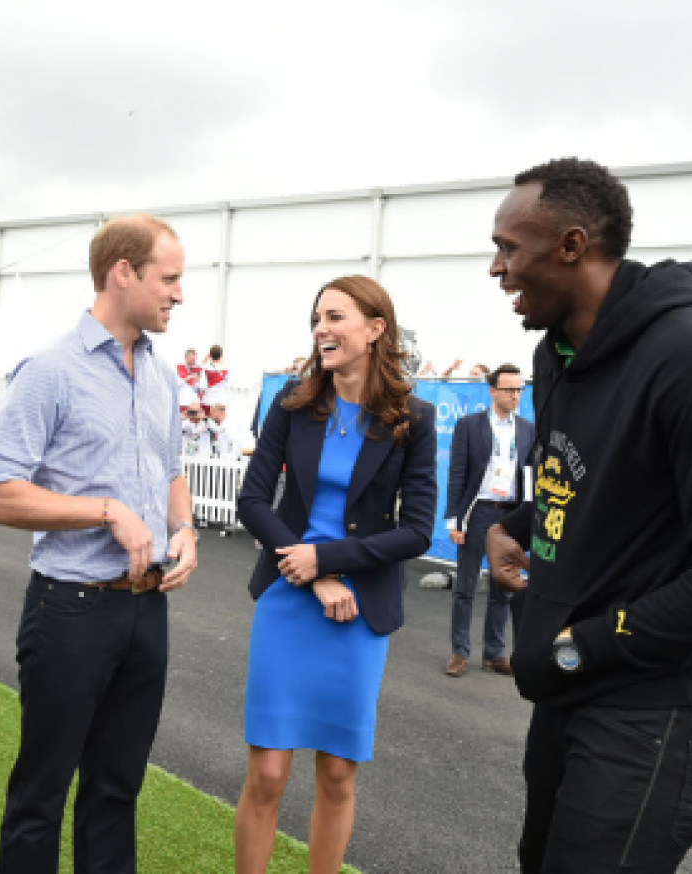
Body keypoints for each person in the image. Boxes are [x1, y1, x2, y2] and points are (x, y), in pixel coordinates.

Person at [484, 157, 692, 872]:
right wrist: (507, 529)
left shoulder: (685, 355)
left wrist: (579, 644)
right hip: (564, 691)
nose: (497, 268)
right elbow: (580, 487)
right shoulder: (557, 357)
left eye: (509, 247)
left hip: (650, 710)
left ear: (572, 245)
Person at [0, 214, 198, 874]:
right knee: (41, 797)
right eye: (171, 277)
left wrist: (181, 529)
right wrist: (104, 511)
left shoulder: (160, 374)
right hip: (69, 610)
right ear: (121, 273)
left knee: (116, 791)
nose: (179, 293)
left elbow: (173, 470)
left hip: (146, 610)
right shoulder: (50, 371)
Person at [234, 274, 437, 873]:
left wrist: (329, 561)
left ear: (376, 329)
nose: (322, 328)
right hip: (286, 597)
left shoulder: (412, 419)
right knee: (268, 771)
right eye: (317, 317)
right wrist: (308, 570)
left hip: (359, 609)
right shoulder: (292, 405)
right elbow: (252, 502)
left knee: (338, 773)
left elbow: (417, 531)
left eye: (336, 316)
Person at [444, 364, 534, 678]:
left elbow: (531, 477)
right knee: (465, 587)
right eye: (509, 389)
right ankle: (459, 652)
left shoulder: (527, 430)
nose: (515, 395)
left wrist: (529, 518)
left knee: (503, 589)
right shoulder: (469, 426)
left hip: (510, 516)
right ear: (492, 390)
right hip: (477, 512)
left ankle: (494, 654)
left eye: (519, 389)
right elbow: (457, 474)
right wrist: (453, 521)